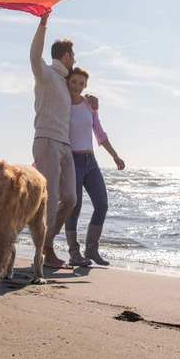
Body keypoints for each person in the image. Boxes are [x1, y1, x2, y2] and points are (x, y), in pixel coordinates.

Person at [29, 12, 98, 269]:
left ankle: (46, 241)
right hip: (46, 141)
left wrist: (91, 100)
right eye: (73, 56)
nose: (75, 60)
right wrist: (43, 23)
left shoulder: (67, 84)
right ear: (66, 56)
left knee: (70, 198)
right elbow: (34, 56)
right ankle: (46, 250)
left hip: (65, 146)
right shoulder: (45, 74)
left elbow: (79, 99)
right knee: (51, 196)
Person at [64, 67, 125, 267]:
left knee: (102, 204)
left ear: (86, 86)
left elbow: (99, 133)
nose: (77, 86)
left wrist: (115, 155)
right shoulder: (62, 104)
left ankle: (92, 249)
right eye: (74, 81)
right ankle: (74, 253)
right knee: (74, 207)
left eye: (82, 83)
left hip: (90, 162)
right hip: (71, 162)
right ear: (68, 81)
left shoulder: (89, 105)